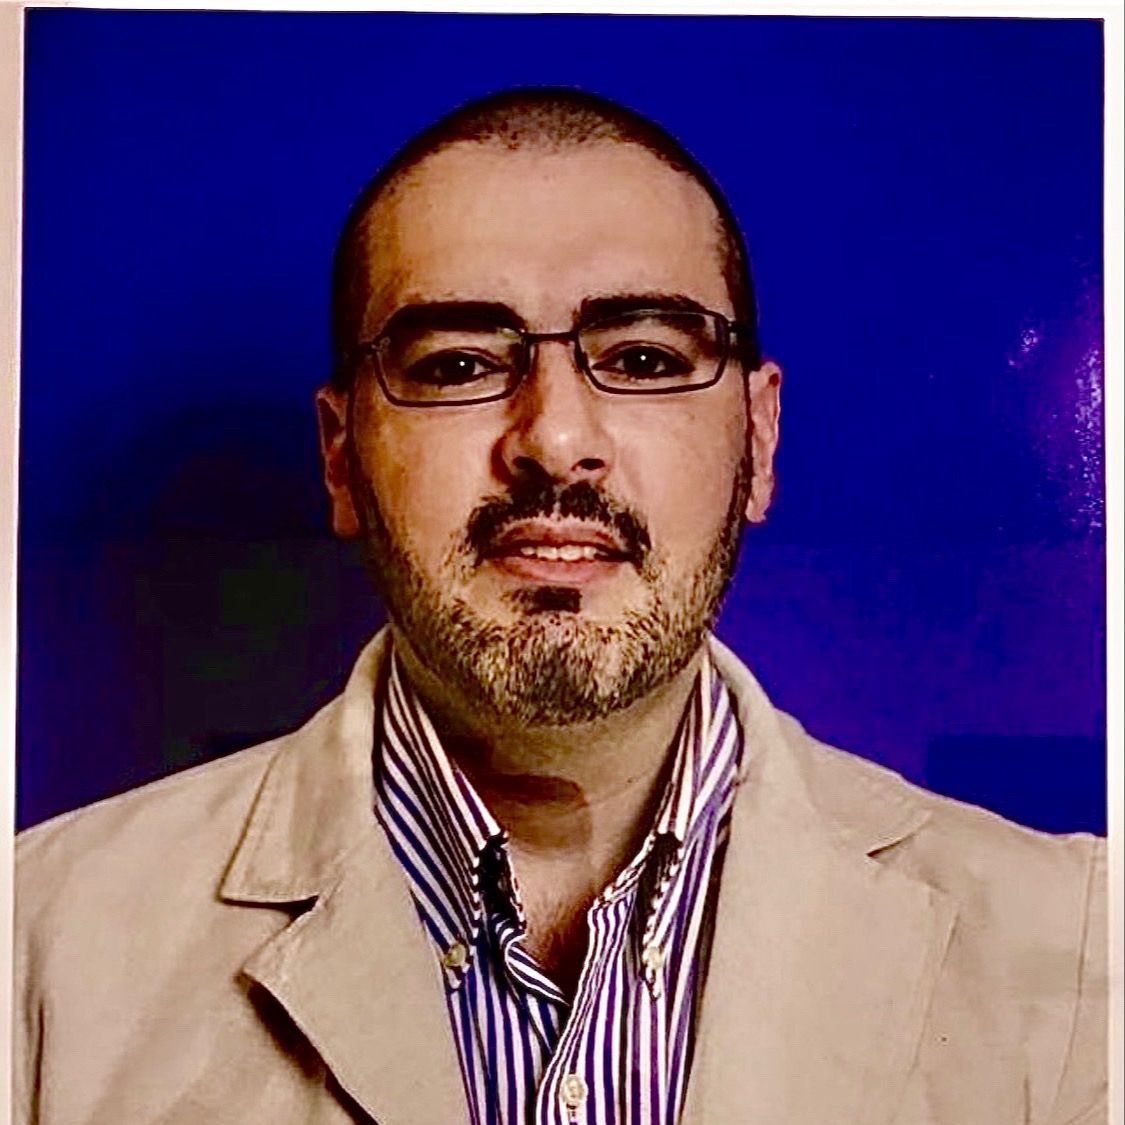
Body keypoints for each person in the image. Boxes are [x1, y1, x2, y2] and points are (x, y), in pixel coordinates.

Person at [13, 88, 1106, 1125]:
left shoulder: (1080, 954)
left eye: (643, 356)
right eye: (456, 365)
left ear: (760, 439)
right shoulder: (38, 947)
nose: (554, 438)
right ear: (341, 458)